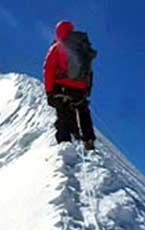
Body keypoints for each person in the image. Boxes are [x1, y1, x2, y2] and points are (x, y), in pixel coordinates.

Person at [43, 20, 96, 151]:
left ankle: (65, 144)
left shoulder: (57, 47)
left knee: (63, 112)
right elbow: (89, 73)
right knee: (83, 111)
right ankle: (88, 139)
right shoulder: (81, 47)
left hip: (61, 86)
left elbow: (48, 69)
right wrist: (85, 91)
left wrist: (49, 92)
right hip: (80, 89)